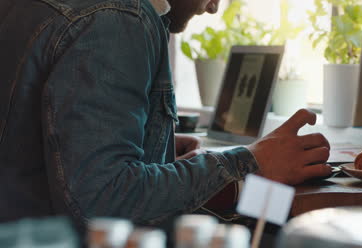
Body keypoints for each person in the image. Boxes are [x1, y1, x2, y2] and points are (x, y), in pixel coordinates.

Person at [0, 0, 331, 229]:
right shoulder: (116, 17)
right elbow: (101, 202)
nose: (214, 6)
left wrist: (150, 143)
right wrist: (246, 164)